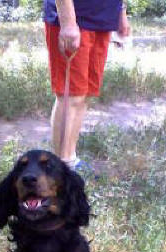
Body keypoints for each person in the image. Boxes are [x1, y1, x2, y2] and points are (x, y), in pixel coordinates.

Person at [44, 0, 131, 171]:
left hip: (102, 20)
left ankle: (70, 159)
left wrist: (121, 13)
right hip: (74, 20)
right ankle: (60, 166)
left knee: (84, 95)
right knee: (71, 96)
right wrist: (68, 22)